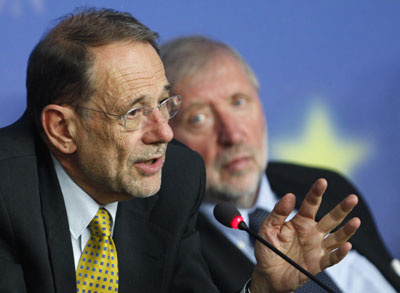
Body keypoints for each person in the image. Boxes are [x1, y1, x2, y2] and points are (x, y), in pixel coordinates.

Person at [0, 8, 360, 293]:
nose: (165, 132)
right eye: (134, 112)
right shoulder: (6, 194)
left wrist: (262, 290)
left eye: (163, 103)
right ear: (63, 129)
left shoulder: (176, 176)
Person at [161, 35, 400, 292]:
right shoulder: (168, 249)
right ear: (166, 135)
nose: (232, 135)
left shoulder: (326, 186)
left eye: (239, 102)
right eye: (198, 118)